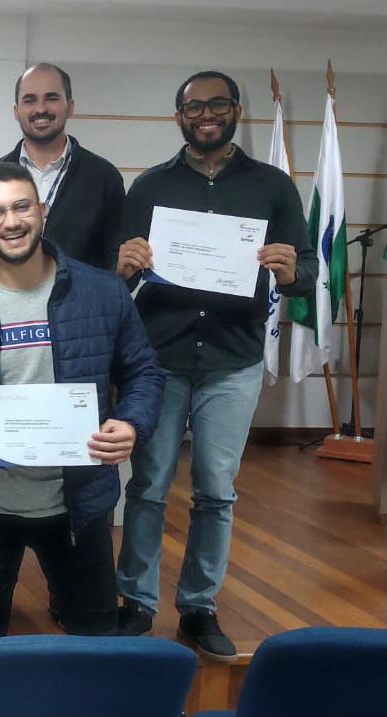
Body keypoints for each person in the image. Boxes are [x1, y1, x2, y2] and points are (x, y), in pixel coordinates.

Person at [0, 161, 164, 674]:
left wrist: (131, 424)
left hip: (78, 503)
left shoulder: (104, 292)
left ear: (42, 211)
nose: (10, 221)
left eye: (20, 206)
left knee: (96, 643)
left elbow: (145, 372)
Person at [113, 70, 316, 660]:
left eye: (218, 104)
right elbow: (117, 270)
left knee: (216, 491)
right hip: (161, 358)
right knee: (147, 486)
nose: (206, 113)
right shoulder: (149, 187)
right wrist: (124, 262)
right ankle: (137, 602)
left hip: (233, 359)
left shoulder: (273, 187)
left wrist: (290, 269)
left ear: (235, 111)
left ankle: (199, 607)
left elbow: (306, 268)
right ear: (178, 116)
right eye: (194, 106)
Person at [0, 64, 125, 269]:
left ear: (70, 107)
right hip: (10, 299)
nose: (40, 109)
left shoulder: (103, 177)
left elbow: (114, 258)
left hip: (82, 299)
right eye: (29, 100)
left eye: (51, 98)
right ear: (16, 111)